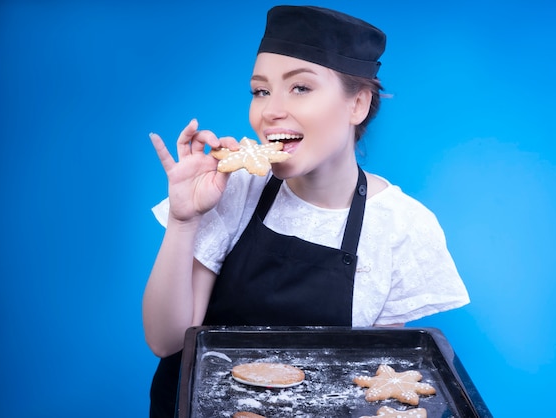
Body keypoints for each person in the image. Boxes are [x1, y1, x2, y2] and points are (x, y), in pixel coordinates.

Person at [143, 5, 470, 417]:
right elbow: (166, 341)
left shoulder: (401, 226)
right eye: (260, 90)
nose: (270, 110)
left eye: (300, 88)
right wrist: (182, 219)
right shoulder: (234, 191)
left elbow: (381, 376)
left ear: (358, 105)